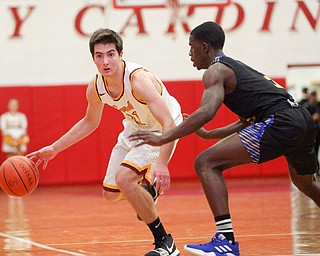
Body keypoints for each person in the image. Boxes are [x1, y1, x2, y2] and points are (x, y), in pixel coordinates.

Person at [129, 21, 320, 256]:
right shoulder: (236, 69)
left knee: (205, 163)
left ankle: (225, 240)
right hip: (301, 120)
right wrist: (208, 135)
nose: (190, 53)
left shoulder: (215, 71)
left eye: (192, 47)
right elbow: (245, 122)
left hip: (281, 121)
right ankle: (225, 240)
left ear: (205, 47)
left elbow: (207, 111)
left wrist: (163, 137)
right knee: (305, 183)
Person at [27, 28, 182, 256]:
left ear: (121, 55)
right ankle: (147, 193)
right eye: (99, 56)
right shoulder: (96, 87)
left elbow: (169, 123)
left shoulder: (138, 80)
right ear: (93, 59)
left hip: (162, 129)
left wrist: (162, 163)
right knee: (110, 194)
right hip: (136, 128)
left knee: (124, 178)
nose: (105, 61)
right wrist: (54, 148)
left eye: (110, 54)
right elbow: (89, 122)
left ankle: (165, 243)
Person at [306, 90, 320, 170]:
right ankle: (317, 168)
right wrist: (312, 118)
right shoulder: (308, 108)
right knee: (315, 150)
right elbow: (306, 121)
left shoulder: (319, 105)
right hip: (315, 133)